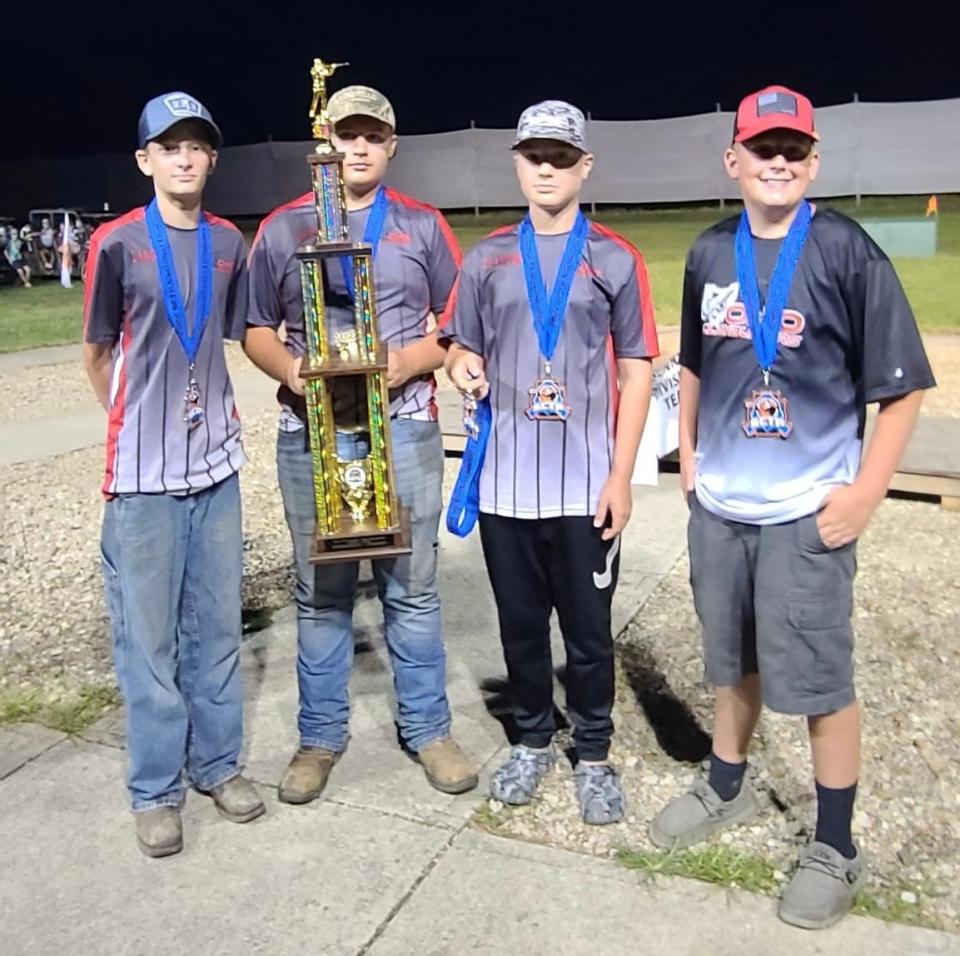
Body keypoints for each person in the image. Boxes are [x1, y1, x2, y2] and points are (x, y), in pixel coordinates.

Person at [648, 85, 936, 929]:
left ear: (813, 163)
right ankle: (728, 780)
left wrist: (866, 492)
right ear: (732, 159)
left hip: (808, 507)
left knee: (815, 678)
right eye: (762, 149)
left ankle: (836, 842)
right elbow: (694, 361)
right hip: (723, 506)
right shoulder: (710, 252)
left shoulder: (846, 250)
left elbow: (904, 387)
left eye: (794, 151)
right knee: (732, 656)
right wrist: (690, 453)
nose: (778, 163)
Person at [245, 84, 478, 802]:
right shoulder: (284, 229)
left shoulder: (422, 225)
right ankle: (319, 739)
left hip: (401, 426)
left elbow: (456, 317)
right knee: (322, 595)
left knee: (412, 588)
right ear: (327, 142)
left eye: (372, 136)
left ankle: (429, 729)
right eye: (347, 135)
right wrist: (296, 374)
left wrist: (411, 361)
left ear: (391, 145)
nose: (359, 148)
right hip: (311, 436)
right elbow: (254, 326)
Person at [442, 101, 657, 824]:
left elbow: (635, 371)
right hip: (506, 483)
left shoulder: (616, 258)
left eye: (561, 157)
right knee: (521, 626)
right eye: (534, 154)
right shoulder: (487, 256)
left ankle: (593, 752)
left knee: (590, 634)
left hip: (583, 485)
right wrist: (464, 368)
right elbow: (459, 347)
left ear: (584, 166)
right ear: (516, 161)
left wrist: (622, 475)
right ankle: (533, 737)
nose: (546, 168)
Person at [82, 91, 264, 858]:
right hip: (144, 478)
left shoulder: (227, 241)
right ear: (145, 160)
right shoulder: (118, 244)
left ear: (212, 158)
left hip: (215, 468)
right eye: (170, 146)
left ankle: (218, 765)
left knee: (218, 630)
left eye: (197, 146)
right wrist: (138, 425)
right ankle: (155, 788)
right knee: (148, 643)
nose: (185, 158)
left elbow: (230, 337)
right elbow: (96, 354)